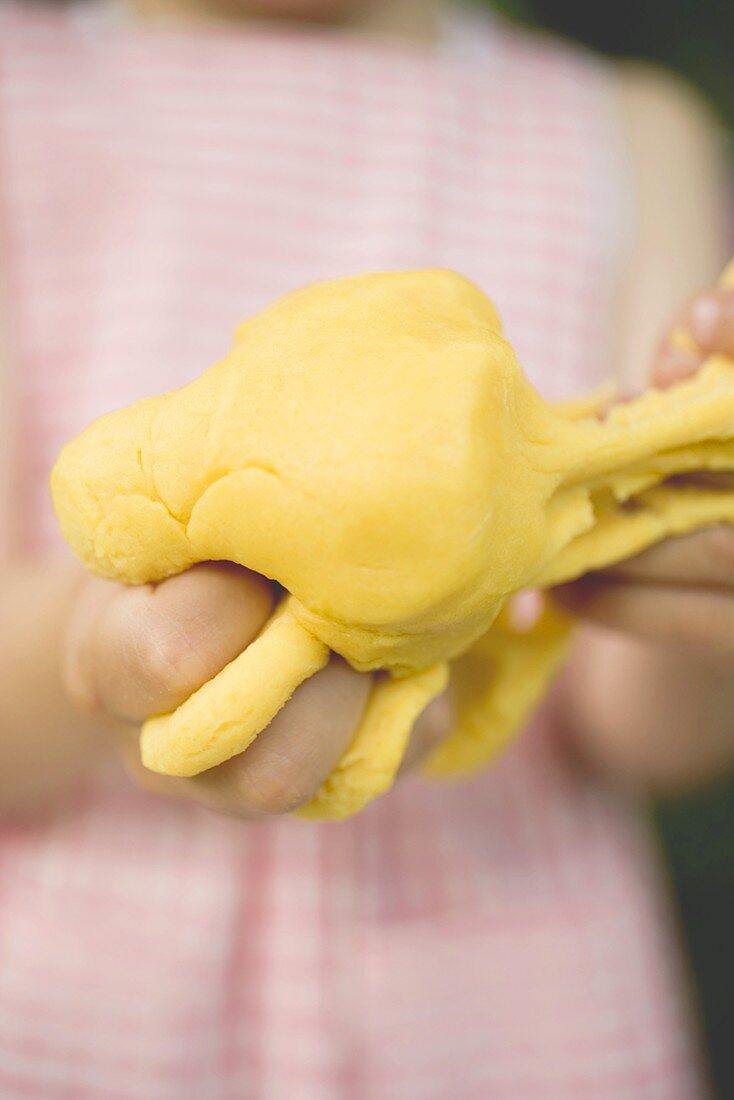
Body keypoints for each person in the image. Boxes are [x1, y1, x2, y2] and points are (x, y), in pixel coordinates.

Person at [0, 0, 731, 1095]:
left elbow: (635, 729)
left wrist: (697, 569)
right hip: (90, 1002)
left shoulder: (625, 132)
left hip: (504, 1015)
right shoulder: (21, 101)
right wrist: (109, 652)